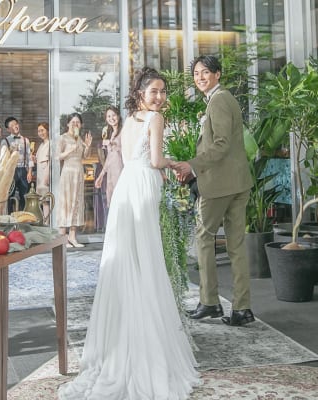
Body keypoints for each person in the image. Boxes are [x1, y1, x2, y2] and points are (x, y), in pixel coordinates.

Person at [58, 67, 199, 399]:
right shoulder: (155, 119)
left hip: (126, 187)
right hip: (144, 185)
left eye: (163, 91)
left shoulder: (129, 120)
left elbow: (131, 155)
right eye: (154, 91)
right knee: (146, 257)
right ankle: (147, 342)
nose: (160, 97)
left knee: (126, 256)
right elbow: (156, 160)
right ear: (140, 93)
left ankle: (122, 336)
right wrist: (176, 163)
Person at [172, 55, 254, 326]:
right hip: (238, 182)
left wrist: (192, 166)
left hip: (220, 185)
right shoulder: (226, 98)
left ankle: (209, 302)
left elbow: (220, 144)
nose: (200, 77)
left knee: (204, 238)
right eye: (196, 73)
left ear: (218, 74)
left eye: (205, 72)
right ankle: (242, 309)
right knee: (236, 245)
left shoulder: (218, 100)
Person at [56, 113, 92, 248]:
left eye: (78, 122)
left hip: (78, 172)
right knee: (66, 202)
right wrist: (69, 150)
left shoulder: (80, 139)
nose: (75, 124)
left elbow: (86, 156)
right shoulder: (63, 138)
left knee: (76, 202)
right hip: (68, 172)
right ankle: (62, 238)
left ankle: (72, 236)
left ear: (80, 125)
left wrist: (88, 146)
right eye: (73, 122)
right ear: (68, 124)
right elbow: (58, 156)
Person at [94, 106, 123, 210]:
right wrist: (101, 175)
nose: (111, 118)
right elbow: (109, 157)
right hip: (111, 170)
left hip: (120, 168)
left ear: (118, 116)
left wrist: (113, 145)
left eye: (113, 115)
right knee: (112, 201)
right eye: (108, 116)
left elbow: (127, 150)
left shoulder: (123, 131)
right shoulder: (111, 133)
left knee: (120, 198)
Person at [5, 116, 32, 212]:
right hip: (11, 171)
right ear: (8, 129)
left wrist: (29, 172)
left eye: (16, 124)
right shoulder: (5, 141)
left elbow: (29, 157)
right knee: (9, 196)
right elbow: (3, 159)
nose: (15, 126)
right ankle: (9, 217)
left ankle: (24, 217)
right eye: (12, 125)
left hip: (23, 170)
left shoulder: (26, 140)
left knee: (24, 196)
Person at [32, 122, 51, 219]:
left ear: (48, 130)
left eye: (42, 130)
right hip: (40, 176)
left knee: (47, 200)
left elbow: (50, 162)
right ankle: (45, 221)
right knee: (43, 201)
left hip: (45, 176)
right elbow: (38, 160)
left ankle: (48, 222)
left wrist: (46, 178)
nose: (40, 133)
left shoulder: (50, 144)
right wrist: (34, 159)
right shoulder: (41, 145)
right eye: (39, 131)